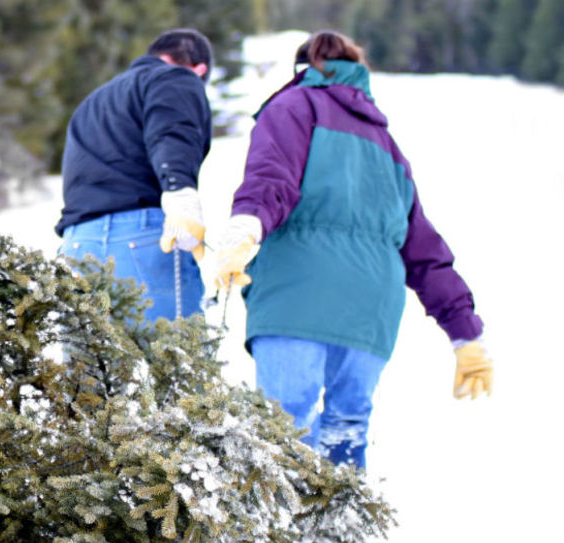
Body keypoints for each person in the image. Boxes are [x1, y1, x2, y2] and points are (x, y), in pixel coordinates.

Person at [209, 30, 494, 470]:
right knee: (346, 429)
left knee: (281, 433)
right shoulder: (388, 147)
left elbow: (271, 181)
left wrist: (245, 230)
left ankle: (278, 536)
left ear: (305, 67)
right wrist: (465, 334)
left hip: (297, 295)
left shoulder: (292, 106)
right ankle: (333, 535)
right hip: (371, 309)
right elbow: (424, 248)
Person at [56, 28, 214, 324]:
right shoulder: (177, 78)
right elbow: (173, 132)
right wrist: (181, 194)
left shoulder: (93, 101)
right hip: (143, 236)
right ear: (199, 70)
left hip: (79, 243)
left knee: (93, 368)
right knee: (177, 362)